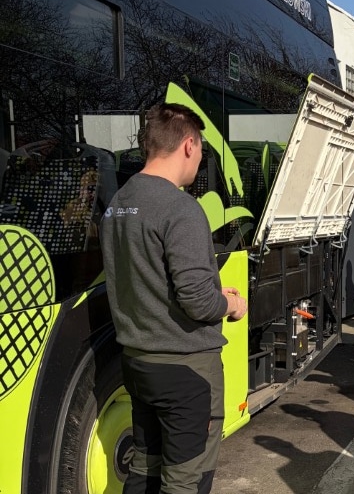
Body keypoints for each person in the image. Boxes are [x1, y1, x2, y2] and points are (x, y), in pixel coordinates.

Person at [101, 102, 248, 493]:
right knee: (186, 480)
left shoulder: (118, 204)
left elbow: (146, 278)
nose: (199, 160)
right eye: (201, 150)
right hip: (186, 371)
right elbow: (198, 303)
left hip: (139, 363)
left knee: (144, 468)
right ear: (188, 145)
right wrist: (231, 304)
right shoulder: (181, 208)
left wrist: (209, 291)